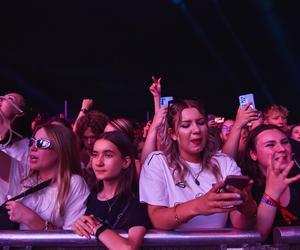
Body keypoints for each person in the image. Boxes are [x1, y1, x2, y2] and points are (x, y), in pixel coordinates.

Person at [139, 99, 256, 230]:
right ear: (173, 134)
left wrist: (249, 211)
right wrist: (198, 206)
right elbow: (157, 219)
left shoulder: (224, 162)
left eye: (200, 123)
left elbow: (239, 223)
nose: (196, 130)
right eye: (186, 125)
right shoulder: (158, 162)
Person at [72, 131, 150, 249]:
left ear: (125, 162)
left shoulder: (137, 202)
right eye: (95, 155)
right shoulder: (90, 196)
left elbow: (129, 248)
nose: (99, 162)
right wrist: (78, 224)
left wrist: (96, 227)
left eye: (108, 155)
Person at [5, 124, 90, 230]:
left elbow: (72, 241)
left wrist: (31, 218)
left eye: (41, 143)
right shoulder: (25, 176)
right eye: (32, 142)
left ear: (60, 150)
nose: (33, 148)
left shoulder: (73, 183)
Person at [238, 124, 300, 241]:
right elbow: (257, 237)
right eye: (270, 145)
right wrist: (272, 193)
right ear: (253, 154)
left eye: (285, 142)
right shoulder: (247, 187)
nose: (282, 149)